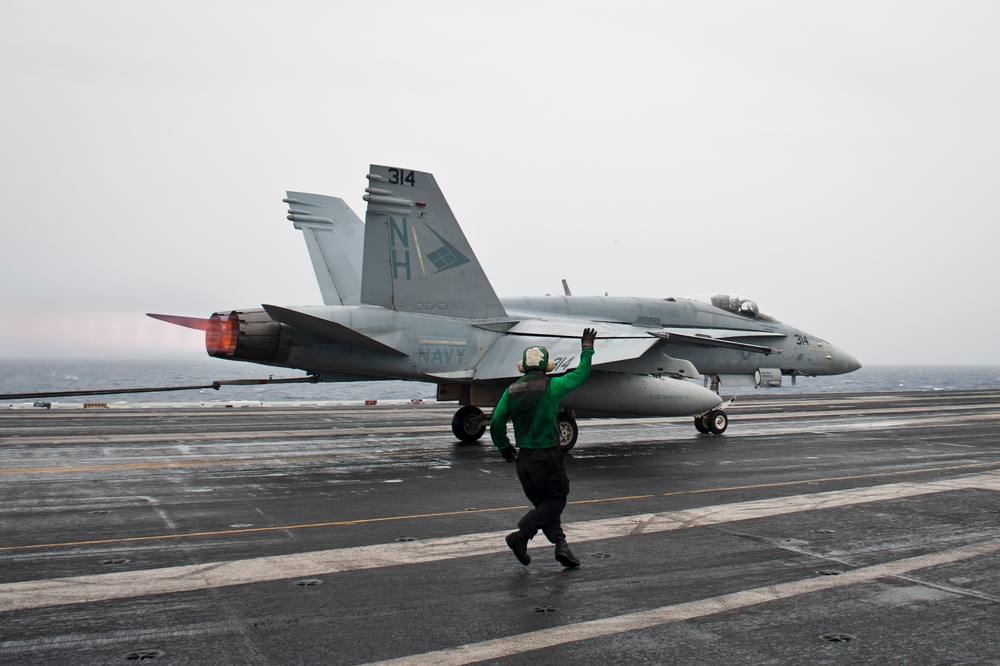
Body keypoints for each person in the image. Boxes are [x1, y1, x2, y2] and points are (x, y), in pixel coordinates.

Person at [490, 328, 597, 567]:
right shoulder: (552, 386)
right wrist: (587, 349)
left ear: (523, 366)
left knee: (545, 505)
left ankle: (561, 545)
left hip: (524, 462)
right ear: (546, 366)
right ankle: (520, 536)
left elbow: (496, 422)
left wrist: (504, 447)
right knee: (556, 502)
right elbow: (580, 374)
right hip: (547, 458)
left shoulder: (511, 391)